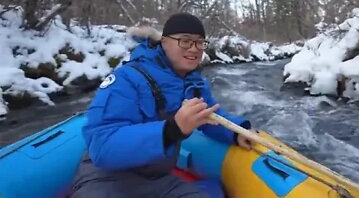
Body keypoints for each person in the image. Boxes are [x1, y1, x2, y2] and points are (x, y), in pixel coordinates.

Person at [70, 13, 254, 198]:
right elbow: (102, 147)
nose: (194, 49)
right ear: (164, 42)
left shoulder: (194, 83)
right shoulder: (126, 79)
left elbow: (211, 114)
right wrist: (172, 130)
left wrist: (237, 132)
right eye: (185, 41)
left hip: (157, 180)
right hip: (106, 179)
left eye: (200, 42)